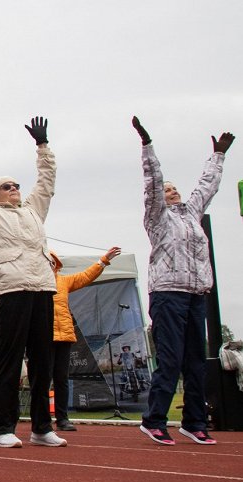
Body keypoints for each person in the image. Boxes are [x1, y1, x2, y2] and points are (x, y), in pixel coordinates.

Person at [0, 112, 63, 448]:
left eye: (17, 185)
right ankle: (3, 428)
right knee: (8, 361)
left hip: (42, 288)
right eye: (7, 186)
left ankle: (41, 428)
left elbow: (46, 181)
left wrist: (42, 146)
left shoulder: (33, 211)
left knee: (42, 363)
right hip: (12, 290)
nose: (15, 189)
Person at [132, 117, 233, 446]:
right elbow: (153, 182)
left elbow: (207, 185)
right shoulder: (157, 218)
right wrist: (147, 146)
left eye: (175, 189)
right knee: (171, 358)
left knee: (195, 361)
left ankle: (194, 421)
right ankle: (154, 419)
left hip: (196, 295)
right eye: (168, 190)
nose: (172, 192)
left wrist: (217, 156)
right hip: (167, 293)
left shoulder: (192, 213)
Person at [49, 247, 121, 431]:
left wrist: (103, 261)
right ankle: (41, 418)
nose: (48, 264)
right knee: (41, 380)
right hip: (43, 337)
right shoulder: (33, 283)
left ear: (55, 265)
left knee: (61, 379)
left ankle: (62, 418)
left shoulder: (64, 282)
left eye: (51, 262)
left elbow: (85, 276)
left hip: (63, 336)